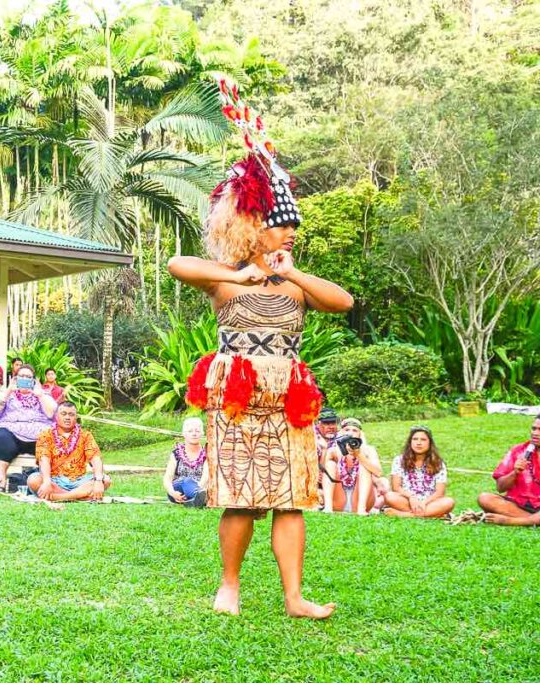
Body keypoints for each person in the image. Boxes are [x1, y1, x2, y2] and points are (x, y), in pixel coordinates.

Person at [167, 80, 352, 619]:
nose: (290, 235)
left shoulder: (298, 283)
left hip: (287, 398)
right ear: (254, 230)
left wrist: (292, 271)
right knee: (243, 495)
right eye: (281, 229)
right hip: (239, 396)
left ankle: (295, 597)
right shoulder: (225, 280)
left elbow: (341, 301)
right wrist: (243, 275)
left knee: (291, 496)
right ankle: (229, 585)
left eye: (293, 228)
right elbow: (179, 266)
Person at [0, 363, 58, 490]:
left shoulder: (43, 394)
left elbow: (51, 412)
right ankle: (1, 482)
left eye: (28, 377)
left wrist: (40, 394)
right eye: (21, 376)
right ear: (15, 378)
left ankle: (46, 483)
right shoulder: (6, 393)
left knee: (48, 439)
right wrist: (9, 391)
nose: (25, 379)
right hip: (12, 434)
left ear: (34, 380)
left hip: (38, 437)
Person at [28, 401, 111, 501]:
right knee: (33, 480)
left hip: (79, 481)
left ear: (76, 417)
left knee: (105, 480)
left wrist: (98, 480)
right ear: (56, 416)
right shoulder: (45, 435)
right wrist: (46, 482)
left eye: (71, 414)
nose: (67, 417)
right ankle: (81, 496)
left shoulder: (85, 435)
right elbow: (44, 460)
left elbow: (95, 458)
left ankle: (59, 497)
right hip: (54, 480)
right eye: (63, 414)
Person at [477, 416, 540, 526]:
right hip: (519, 504)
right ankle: (533, 520)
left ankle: (512, 521)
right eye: (534, 428)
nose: (535, 433)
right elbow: (500, 488)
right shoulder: (518, 451)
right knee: (485, 498)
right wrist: (515, 473)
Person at [383, 425, 455, 519]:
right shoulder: (399, 460)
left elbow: (439, 492)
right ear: (410, 442)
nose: (419, 443)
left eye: (423, 440)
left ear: (430, 443)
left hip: (429, 502)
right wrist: (412, 497)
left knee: (449, 502)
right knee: (390, 496)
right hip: (407, 500)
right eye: (415, 439)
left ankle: (406, 515)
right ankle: (432, 515)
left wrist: (423, 502)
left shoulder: (438, 463)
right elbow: (396, 487)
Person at [321, 418, 383, 514]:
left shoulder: (369, 450)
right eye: (347, 430)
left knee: (364, 467)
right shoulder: (333, 450)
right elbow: (322, 473)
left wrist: (359, 455)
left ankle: (361, 510)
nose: (350, 433)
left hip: (361, 499)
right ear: (341, 432)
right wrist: (327, 450)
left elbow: (378, 472)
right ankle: (328, 508)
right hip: (339, 498)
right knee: (330, 464)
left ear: (360, 434)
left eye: (354, 430)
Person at [163, 417, 207, 507]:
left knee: (202, 488)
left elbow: (206, 478)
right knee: (185, 480)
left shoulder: (207, 453)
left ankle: (194, 499)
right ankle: (200, 498)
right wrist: (172, 493)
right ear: (184, 434)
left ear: (202, 434)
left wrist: (198, 488)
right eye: (190, 431)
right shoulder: (176, 453)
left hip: (200, 487)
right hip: (179, 489)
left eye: (197, 431)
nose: (194, 434)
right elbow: (167, 478)